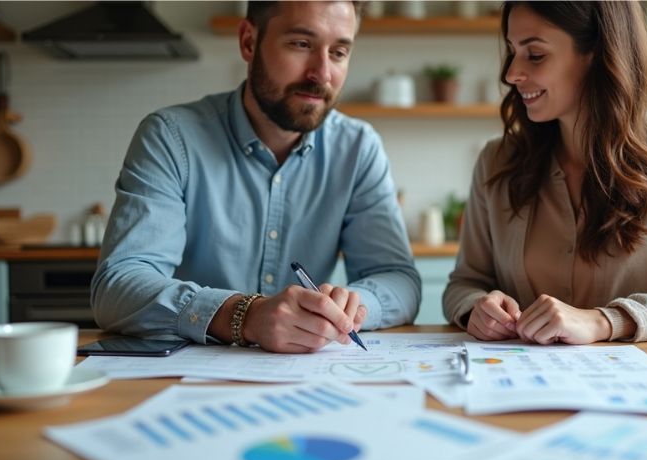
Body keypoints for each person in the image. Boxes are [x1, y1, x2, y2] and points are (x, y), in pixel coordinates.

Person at [92, 1, 420, 353]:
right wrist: (245, 316)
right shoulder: (171, 138)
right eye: (301, 44)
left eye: (338, 52)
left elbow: (400, 281)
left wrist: (348, 307)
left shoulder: (358, 148)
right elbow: (117, 287)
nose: (322, 73)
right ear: (249, 42)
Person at [443, 1, 647, 345]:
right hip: (515, 383)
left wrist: (605, 321)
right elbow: (463, 283)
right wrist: (475, 308)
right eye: (512, 52)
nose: (512, 73)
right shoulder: (496, 160)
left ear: (597, 52)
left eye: (536, 54)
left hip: (638, 387)